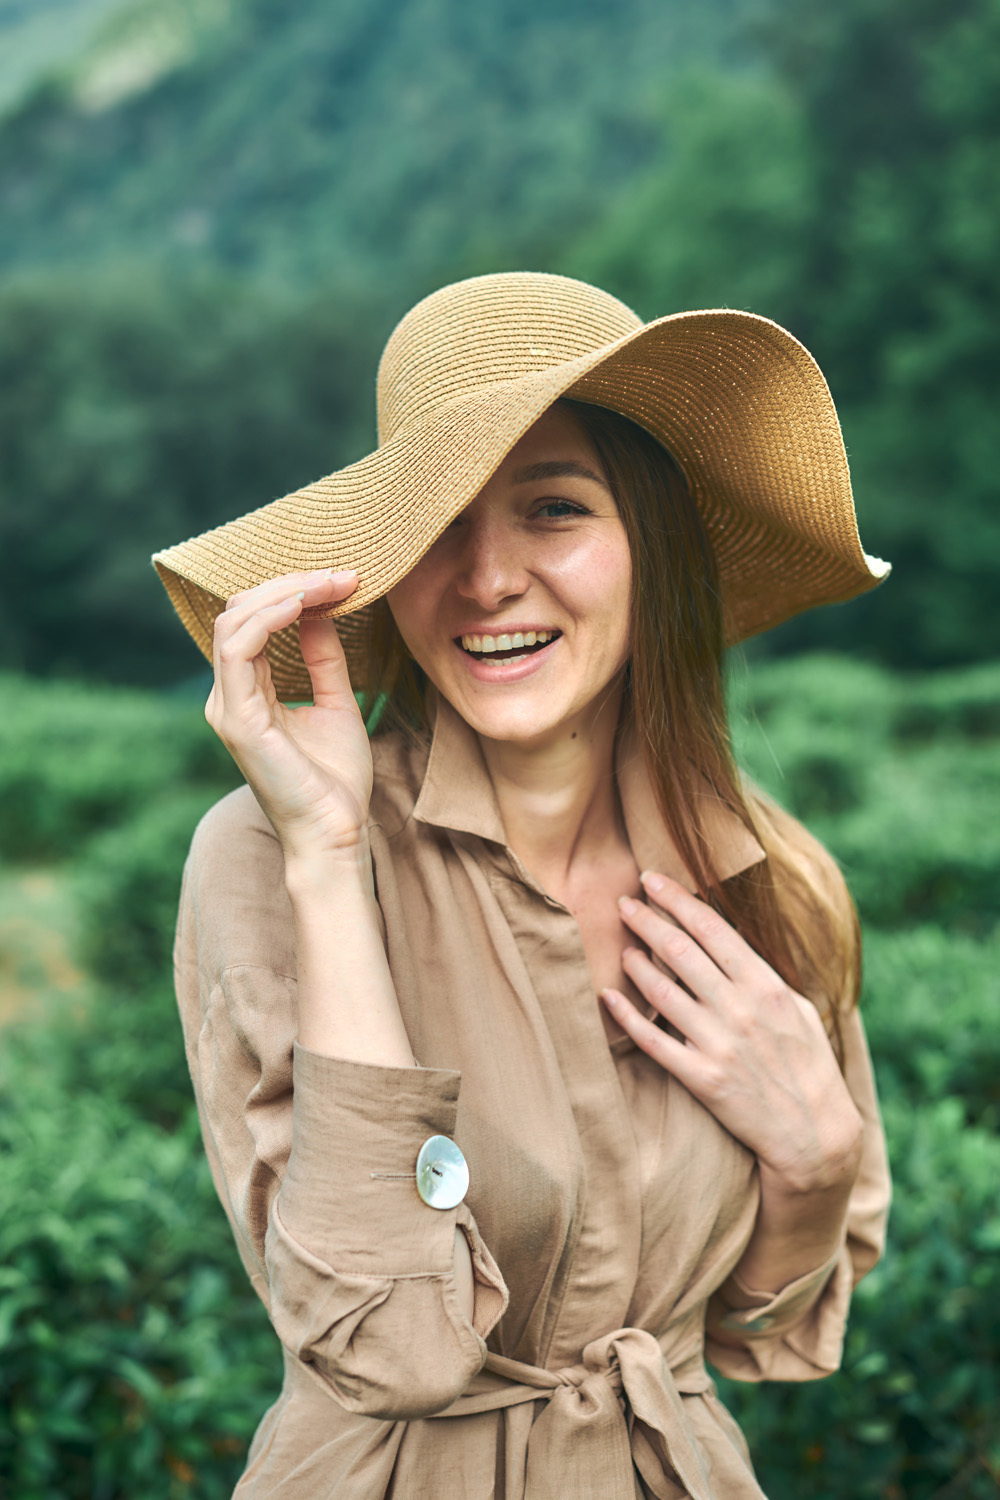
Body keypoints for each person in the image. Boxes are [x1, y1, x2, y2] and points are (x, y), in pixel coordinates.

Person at [153, 271, 892, 1499]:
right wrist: (329, 863)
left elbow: (760, 1339)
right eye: (439, 523)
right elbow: (381, 1343)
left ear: (652, 549)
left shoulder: (771, 878)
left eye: (554, 509)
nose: (489, 578)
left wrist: (814, 1166)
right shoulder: (269, 854)